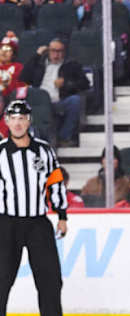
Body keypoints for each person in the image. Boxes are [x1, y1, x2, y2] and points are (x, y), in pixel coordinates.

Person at [0, 99, 68, 316]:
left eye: (22, 119)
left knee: (50, 279)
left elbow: (55, 182)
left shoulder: (44, 151)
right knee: (1, 279)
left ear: (29, 121)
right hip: (6, 222)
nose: (18, 123)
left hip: (38, 222)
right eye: (13, 119)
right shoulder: (0, 153)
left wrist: (62, 215)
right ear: (6, 122)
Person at [19, 38, 90, 147]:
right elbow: (23, 77)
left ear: (64, 52)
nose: (56, 54)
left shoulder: (71, 65)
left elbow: (85, 84)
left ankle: (63, 137)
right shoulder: (39, 65)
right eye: (53, 51)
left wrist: (66, 83)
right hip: (40, 103)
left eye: (59, 51)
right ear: (48, 51)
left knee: (75, 100)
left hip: (58, 101)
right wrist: (37, 55)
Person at [0, 31, 25, 97]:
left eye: (8, 50)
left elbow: (21, 88)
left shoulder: (18, 67)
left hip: (9, 99)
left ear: (13, 55)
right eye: (2, 48)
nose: (4, 52)